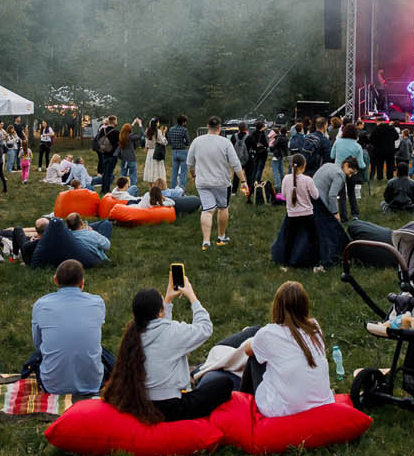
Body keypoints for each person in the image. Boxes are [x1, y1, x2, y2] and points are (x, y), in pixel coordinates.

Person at [101, 277, 230, 422]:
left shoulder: (132, 334)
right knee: (224, 383)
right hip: (170, 408)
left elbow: (161, 327)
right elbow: (205, 328)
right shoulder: (172, 332)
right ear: (160, 312)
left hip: (140, 401)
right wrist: (192, 296)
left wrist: (167, 300)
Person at [240, 282, 335, 417]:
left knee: (256, 357)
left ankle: (242, 401)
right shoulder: (315, 327)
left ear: (277, 306)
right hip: (323, 404)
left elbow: (247, 350)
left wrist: (252, 339)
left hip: (285, 411)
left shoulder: (268, 333)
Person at [27, 259, 112, 395]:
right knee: (105, 354)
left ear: (55, 280)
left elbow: (38, 344)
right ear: (82, 282)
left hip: (52, 386)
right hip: (94, 383)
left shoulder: (41, 305)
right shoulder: (97, 303)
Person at [186, 117, 249, 249]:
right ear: (219, 129)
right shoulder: (225, 142)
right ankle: (221, 237)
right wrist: (243, 181)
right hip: (222, 182)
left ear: (207, 126)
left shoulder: (197, 141)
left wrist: (194, 175)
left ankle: (206, 241)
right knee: (222, 208)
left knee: (207, 210)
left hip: (202, 182)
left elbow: (190, 163)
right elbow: (235, 164)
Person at [279, 153, 321, 269]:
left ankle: (285, 265)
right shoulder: (308, 180)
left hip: (292, 214)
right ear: (304, 165)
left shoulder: (286, 179)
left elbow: (283, 195)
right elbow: (316, 196)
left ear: (291, 165)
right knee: (314, 239)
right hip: (307, 214)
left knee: (289, 239)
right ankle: (316, 264)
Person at [313, 155, 357, 221]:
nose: (350, 176)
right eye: (350, 172)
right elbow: (332, 195)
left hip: (311, 195)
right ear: (346, 165)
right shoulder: (340, 175)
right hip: (320, 200)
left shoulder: (328, 165)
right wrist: (335, 213)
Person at [92, 115, 119, 198]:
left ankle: (103, 188)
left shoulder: (102, 130)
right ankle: (106, 190)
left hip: (104, 154)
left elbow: (98, 140)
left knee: (104, 173)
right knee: (109, 173)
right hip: (112, 155)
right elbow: (119, 144)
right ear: (114, 121)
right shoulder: (116, 132)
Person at [166, 115, 192, 190]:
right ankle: (181, 190)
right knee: (183, 173)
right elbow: (188, 142)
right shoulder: (184, 130)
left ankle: (173, 189)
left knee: (174, 172)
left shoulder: (171, 129)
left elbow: (169, 141)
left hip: (174, 151)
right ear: (183, 122)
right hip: (183, 151)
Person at [142, 118, 166, 186]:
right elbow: (163, 142)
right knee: (157, 171)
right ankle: (156, 187)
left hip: (150, 152)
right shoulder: (158, 131)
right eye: (158, 122)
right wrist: (164, 134)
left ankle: (151, 188)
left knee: (150, 170)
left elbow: (146, 144)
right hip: (156, 152)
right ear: (156, 123)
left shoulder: (147, 131)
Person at [117, 119, 139, 190]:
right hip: (131, 158)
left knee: (123, 175)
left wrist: (132, 124)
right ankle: (133, 190)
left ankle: (120, 189)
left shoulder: (121, 137)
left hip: (123, 158)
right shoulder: (131, 136)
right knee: (133, 176)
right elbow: (138, 136)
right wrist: (140, 125)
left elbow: (126, 130)